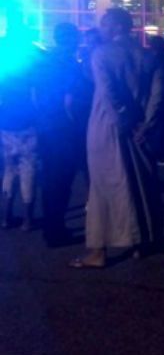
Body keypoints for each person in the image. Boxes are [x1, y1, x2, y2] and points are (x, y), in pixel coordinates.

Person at [69, 8, 159, 269]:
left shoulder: (101, 54)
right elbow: (157, 95)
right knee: (138, 183)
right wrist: (145, 126)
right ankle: (139, 241)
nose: (101, 30)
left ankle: (98, 251)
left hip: (107, 127)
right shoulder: (147, 55)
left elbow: (108, 94)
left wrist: (124, 123)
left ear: (116, 26)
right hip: (140, 127)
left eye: (104, 25)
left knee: (102, 188)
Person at [36, 23, 86, 246]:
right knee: (62, 181)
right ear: (72, 40)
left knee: (49, 179)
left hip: (45, 125)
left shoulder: (43, 62)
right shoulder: (70, 66)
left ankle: (50, 227)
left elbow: (34, 94)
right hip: (64, 128)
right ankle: (56, 231)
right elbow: (71, 100)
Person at [0, 24, 42, 232]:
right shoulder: (32, 61)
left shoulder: (4, 58)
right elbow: (35, 95)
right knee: (28, 169)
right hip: (27, 123)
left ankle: (5, 217)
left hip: (6, 123)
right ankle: (27, 220)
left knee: (9, 169)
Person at [139, 36, 164, 166]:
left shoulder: (152, 58)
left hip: (156, 95)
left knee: (156, 125)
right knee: (160, 125)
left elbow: (148, 77)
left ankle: (159, 155)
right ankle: (161, 154)